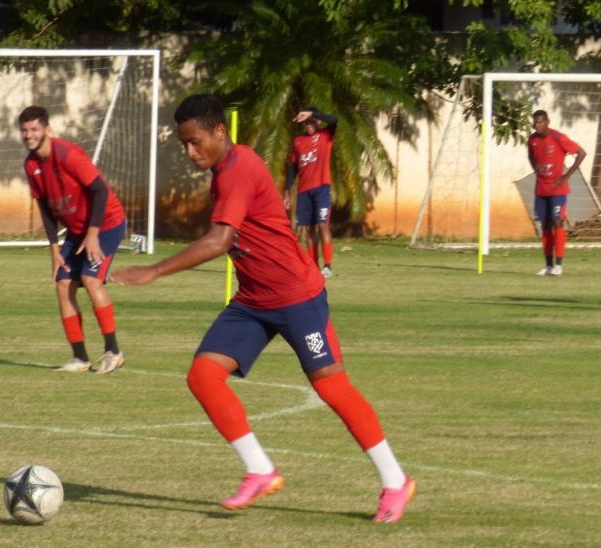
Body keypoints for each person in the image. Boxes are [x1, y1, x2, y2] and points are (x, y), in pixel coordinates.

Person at [111, 94, 415, 522]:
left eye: (195, 141)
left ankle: (395, 481)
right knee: (203, 376)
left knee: (332, 388)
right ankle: (259, 469)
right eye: (184, 144)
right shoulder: (225, 170)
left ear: (220, 131)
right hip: (253, 300)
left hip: (297, 297)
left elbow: (220, 241)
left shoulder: (239, 170)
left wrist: (155, 271)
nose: (189, 151)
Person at [19, 105, 126, 374]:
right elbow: (44, 209)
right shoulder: (31, 165)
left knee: (90, 279)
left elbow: (100, 191)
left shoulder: (68, 154)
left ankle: (113, 351)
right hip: (77, 231)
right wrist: (54, 249)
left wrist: (93, 235)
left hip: (107, 224)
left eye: (34, 129)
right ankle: (80, 358)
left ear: (47, 130)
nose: (29, 135)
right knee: (63, 284)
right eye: (24, 130)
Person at [528, 109, 586, 277]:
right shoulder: (532, 140)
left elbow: (581, 153)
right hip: (541, 189)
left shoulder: (558, 138)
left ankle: (558, 265)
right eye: (535, 122)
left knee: (557, 222)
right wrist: (535, 167)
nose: (537, 125)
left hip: (558, 190)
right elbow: (531, 155)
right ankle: (548, 266)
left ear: (547, 122)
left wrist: (566, 176)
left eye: (540, 122)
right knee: (545, 225)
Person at [284, 107, 338, 278]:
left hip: (321, 188)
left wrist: (312, 114)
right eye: (306, 122)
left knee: (323, 225)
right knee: (309, 230)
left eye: (311, 121)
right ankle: (313, 267)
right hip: (303, 192)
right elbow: (292, 168)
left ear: (317, 121)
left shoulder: (325, 136)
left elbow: (334, 119)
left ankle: (327, 265)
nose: (308, 125)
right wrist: (286, 192)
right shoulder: (298, 140)